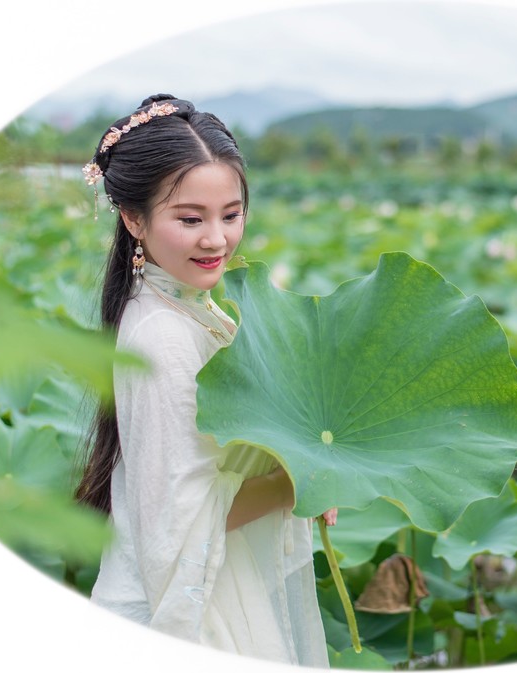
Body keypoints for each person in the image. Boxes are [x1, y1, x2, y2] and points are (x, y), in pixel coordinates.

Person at [74, 94, 334, 666]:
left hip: (216, 592)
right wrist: (303, 483)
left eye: (231, 214)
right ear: (133, 218)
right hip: (183, 615)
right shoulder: (162, 336)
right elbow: (182, 518)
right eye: (190, 219)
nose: (215, 239)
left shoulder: (193, 309)